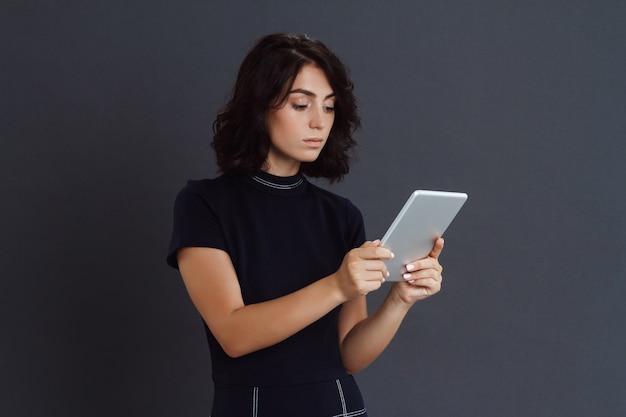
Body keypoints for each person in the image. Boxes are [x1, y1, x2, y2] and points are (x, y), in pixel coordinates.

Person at [167, 33, 444, 417]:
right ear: (259, 107)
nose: (318, 122)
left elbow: (349, 356)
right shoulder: (203, 204)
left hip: (341, 408)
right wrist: (336, 285)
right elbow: (234, 334)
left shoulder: (341, 215)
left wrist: (399, 300)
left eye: (329, 108)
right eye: (301, 104)